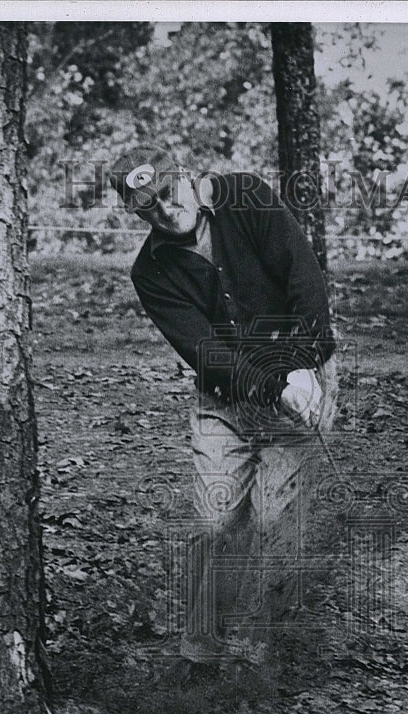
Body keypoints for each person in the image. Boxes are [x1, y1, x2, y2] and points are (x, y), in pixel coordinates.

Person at [110, 146, 338, 669]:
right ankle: (201, 653)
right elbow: (206, 354)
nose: (166, 210)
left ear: (185, 176)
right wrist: (275, 386)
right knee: (216, 524)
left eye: (168, 193)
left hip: (301, 378)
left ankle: (255, 653)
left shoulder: (246, 196)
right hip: (226, 401)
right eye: (149, 207)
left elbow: (303, 276)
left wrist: (305, 366)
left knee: (272, 519)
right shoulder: (151, 272)